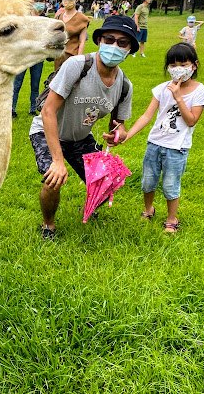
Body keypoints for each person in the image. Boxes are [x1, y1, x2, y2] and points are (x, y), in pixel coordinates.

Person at [31, 15, 136, 239]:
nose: (114, 46)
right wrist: (58, 161)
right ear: (99, 41)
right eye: (109, 39)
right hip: (47, 130)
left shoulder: (125, 86)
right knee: (53, 179)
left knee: (107, 179)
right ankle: (48, 225)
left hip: (79, 137)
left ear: (130, 50)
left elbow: (119, 124)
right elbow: (48, 111)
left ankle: (88, 210)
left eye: (122, 43)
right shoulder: (77, 66)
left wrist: (119, 132)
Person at [120, 43, 204, 233]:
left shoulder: (200, 91)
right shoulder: (161, 89)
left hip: (177, 148)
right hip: (155, 143)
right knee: (148, 181)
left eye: (183, 64)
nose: (178, 69)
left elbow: (191, 120)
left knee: (171, 184)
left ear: (194, 65)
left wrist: (178, 97)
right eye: (173, 64)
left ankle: (171, 218)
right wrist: (128, 135)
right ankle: (148, 209)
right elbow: (147, 116)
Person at [12, 0, 47, 117]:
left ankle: (33, 108)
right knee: (17, 83)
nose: (38, 3)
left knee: (35, 84)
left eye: (41, 1)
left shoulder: (46, 21)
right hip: (23, 56)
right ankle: (12, 109)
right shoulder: (24, 18)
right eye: (36, 0)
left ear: (45, 3)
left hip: (38, 57)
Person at [53, 0, 90, 70]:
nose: (67, 0)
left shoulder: (82, 19)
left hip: (72, 57)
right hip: (58, 57)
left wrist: (78, 59)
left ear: (76, 0)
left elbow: (82, 41)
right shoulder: (58, 16)